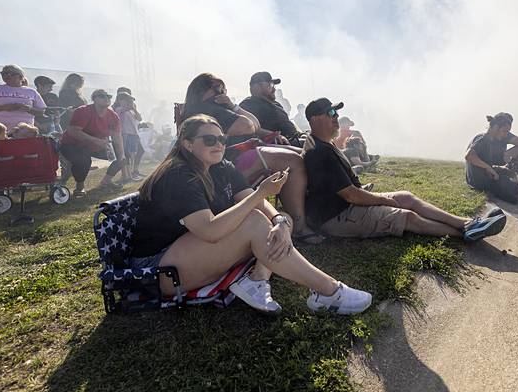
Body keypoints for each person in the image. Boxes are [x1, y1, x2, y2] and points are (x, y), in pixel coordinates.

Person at [133, 114, 372, 315]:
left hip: (188, 253)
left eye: (221, 139)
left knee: (279, 219)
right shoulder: (180, 175)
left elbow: (255, 203)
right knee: (256, 223)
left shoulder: (221, 167)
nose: (218, 144)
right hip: (157, 270)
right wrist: (260, 194)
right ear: (187, 144)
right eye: (209, 140)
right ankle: (327, 291)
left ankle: (257, 280)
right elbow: (210, 229)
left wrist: (279, 222)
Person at [303, 98, 505, 241]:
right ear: (314, 119)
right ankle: (465, 233)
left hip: (348, 204)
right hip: (337, 217)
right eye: (330, 112)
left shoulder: (324, 143)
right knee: (406, 217)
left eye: (336, 112)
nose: (336, 116)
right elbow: (350, 195)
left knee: (406, 198)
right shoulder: (319, 151)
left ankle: (467, 223)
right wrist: (382, 200)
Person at [182, 73, 313, 236]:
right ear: (201, 90)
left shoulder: (211, 108)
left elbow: (255, 125)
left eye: (223, 89)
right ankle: (299, 226)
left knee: (303, 155)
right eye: (217, 88)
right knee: (293, 161)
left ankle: (302, 215)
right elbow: (247, 126)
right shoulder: (208, 108)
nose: (222, 93)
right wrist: (231, 106)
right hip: (232, 156)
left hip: (239, 153)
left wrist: (232, 106)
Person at [59, 89, 126, 197]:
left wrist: (121, 153)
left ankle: (106, 182)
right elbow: (73, 131)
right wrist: (97, 141)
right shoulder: (83, 111)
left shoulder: (113, 115)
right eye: (102, 96)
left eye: (109, 96)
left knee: (122, 156)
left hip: (94, 146)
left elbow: (117, 136)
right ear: (94, 98)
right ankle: (79, 188)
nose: (107, 98)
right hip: (71, 144)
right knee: (84, 161)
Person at [239, 72, 302, 147]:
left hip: (295, 138)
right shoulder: (248, 105)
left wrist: (301, 134)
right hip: (278, 145)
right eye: (270, 85)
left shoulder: (276, 104)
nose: (274, 89)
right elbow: (250, 130)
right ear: (256, 87)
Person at [0, 64, 46, 131]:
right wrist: (5, 107)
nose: (5, 76)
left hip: (24, 132)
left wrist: (29, 109)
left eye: (9, 73)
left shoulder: (32, 92)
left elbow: (41, 111)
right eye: (3, 73)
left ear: (20, 76)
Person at [115, 92, 144, 182]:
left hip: (134, 134)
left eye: (130, 100)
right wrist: (131, 106)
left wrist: (134, 109)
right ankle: (128, 174)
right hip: (125, 134)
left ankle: (132, 173)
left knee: (133, 154)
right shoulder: (119, 109)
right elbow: (124, 110)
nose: (130, 102)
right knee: (127, 154)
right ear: (120, 100)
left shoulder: (131, 110)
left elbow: (139, 118)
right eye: (127, 100)